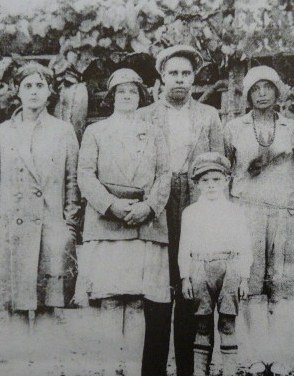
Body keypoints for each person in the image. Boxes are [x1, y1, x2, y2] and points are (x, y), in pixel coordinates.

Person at [136, 44, 224, 376]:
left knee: (192, 289)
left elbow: (220, 165)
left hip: (195, 204)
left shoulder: (208, 116)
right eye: (173, 73)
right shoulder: (145, 116)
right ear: (161, 77)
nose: (180, 80)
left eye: (186, 74)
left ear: (194, 78)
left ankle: (190, 370)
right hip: (158, 205)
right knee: (158, 293)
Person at [76, 68, 171, 376]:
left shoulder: (155, 131)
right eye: (120, 91)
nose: (127, 96)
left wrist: (149, 207)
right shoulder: (96, 132)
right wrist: (112, 206)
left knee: (140, 302)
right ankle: (111, 369)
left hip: (146, 225)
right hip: (108, 225)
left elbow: (164, 175)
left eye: (133, 91)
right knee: (111, 299)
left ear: (141, 96)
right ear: (111, 97)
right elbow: (85, 176)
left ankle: (134, 369)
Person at [224, 65, 294, 364]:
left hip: (284, 211)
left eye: (267, 87)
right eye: (255, 89)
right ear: (247, 94)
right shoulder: (233, 128)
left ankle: (279, 353)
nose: (261, 94)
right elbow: (227, 171)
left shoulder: (292, 128)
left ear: (277, 91)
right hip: (247, 213)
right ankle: (256, 352)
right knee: (251, 281)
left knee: (281, 282)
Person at [0, 62, 80, 323]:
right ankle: (19, 360)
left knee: (49, 304)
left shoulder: (63, 131)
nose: (33, 91)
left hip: (50, 227)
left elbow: (72, 183)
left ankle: (46, 359)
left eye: (40, 86)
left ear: (49, 92)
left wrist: (69, 226)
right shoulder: (3, 132)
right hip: (11, 228)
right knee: (13, 303)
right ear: (17, 91)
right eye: (27, 86)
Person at [178, 152, 252, 376]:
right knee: (202, 325)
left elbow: (244, 245)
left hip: (229, 269)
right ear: (197, 184)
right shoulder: (190, 213)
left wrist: (244, 278)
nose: (211, 185)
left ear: (226, 180)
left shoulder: (235, 212)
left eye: (216, 180)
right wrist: (185, 277)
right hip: (200, 269)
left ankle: (229, 371)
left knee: (227, 323)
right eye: (205, 180)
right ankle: (200, 372)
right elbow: (185, 247)